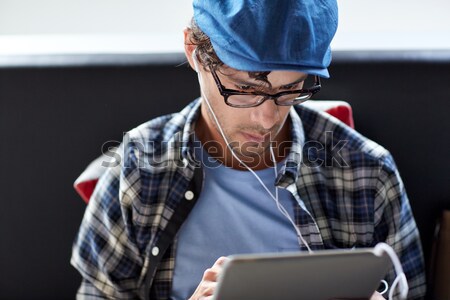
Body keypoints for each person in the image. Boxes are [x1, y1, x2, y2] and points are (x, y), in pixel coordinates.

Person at [71, 0, 426, 299]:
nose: (266, 117)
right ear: (194, 53)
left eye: (290, 89)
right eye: (244, 87)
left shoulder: (367, 173)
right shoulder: (135, 170)